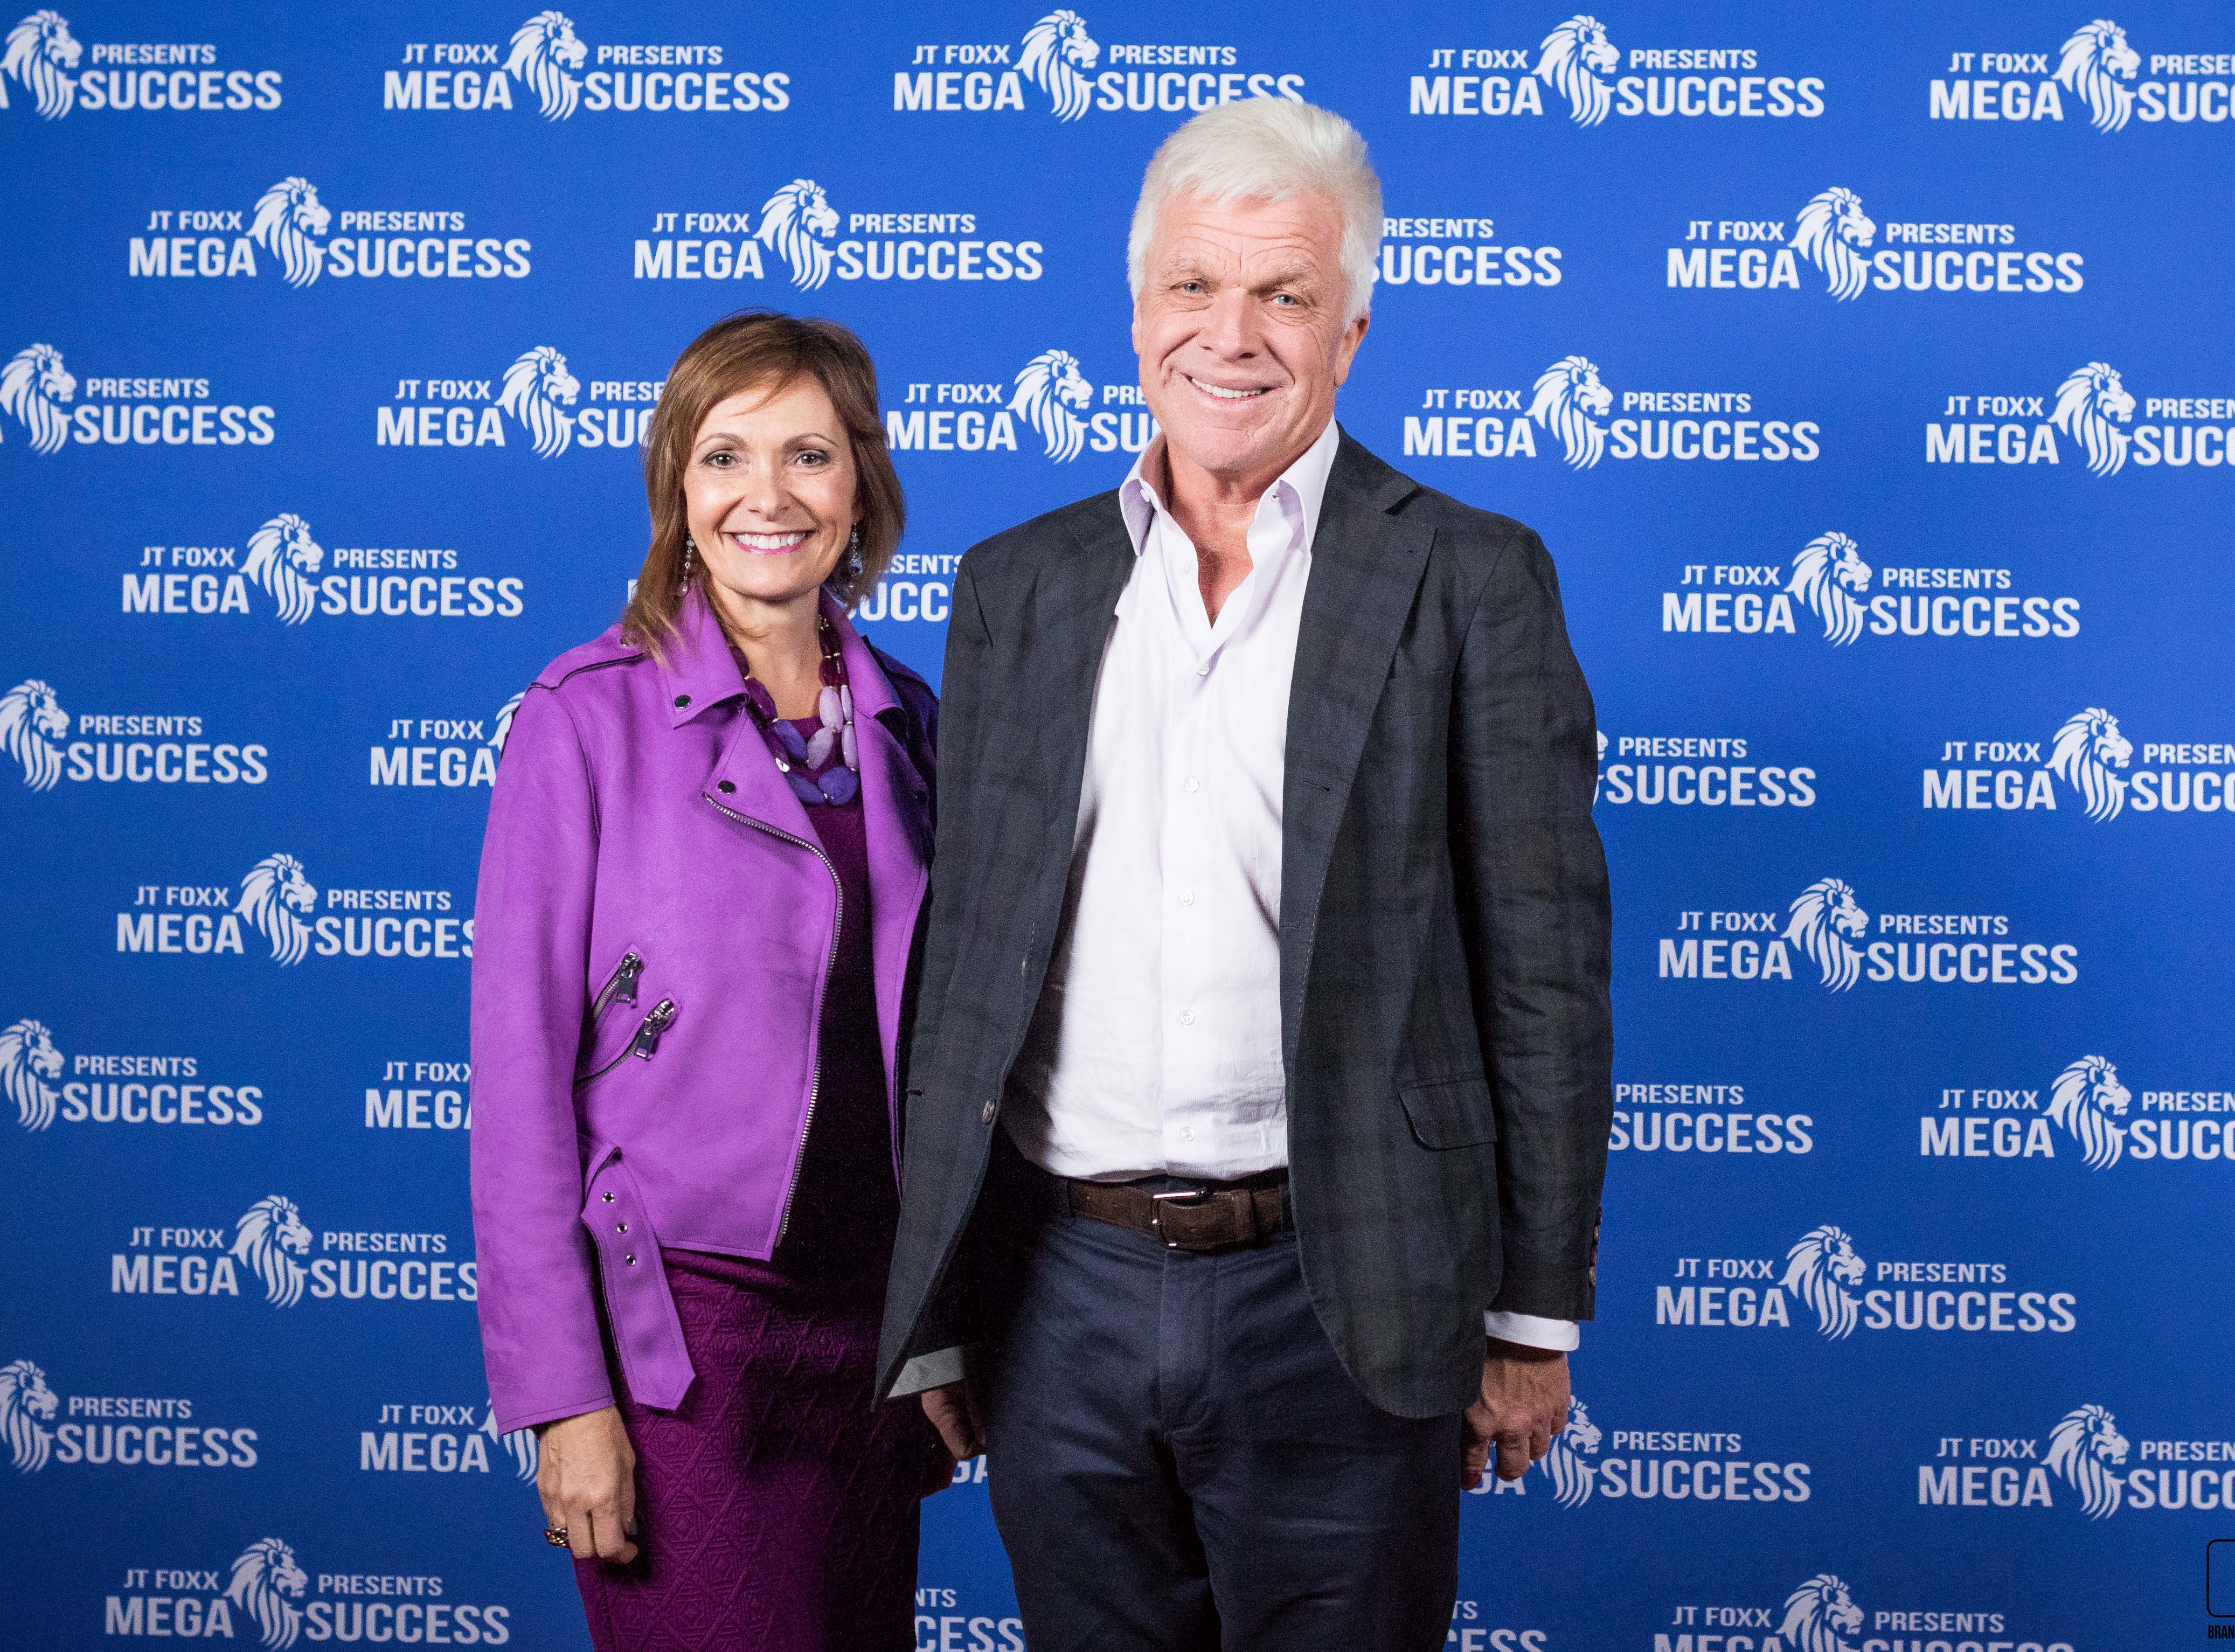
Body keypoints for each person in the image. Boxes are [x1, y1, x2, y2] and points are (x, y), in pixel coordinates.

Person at [880, 99, 1613, 1652]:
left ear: (1350, 331)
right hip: (1055, 1291)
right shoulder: (1017, 584)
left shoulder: (1470, 577)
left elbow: (1542, 972)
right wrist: (932, 1305)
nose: (1231, 333)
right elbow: (964, 966)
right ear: (1136, 313)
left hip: (1345, 1290)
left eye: (1284, 293)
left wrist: (1531, 1317)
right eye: (1193, 286)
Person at [471, 311, 945, 1652]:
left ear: (861, 485)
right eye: (725, 456)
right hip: (677, 1340)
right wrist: (565, 1400)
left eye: (809, 454)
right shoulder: (583, 718)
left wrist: (947, 1327)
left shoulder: (914, 723)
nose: (766, 495)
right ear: (678, 488)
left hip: (874, 1338)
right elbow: (516, 1089)